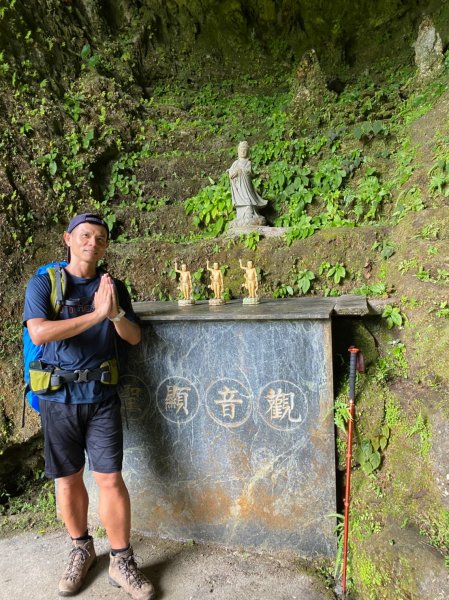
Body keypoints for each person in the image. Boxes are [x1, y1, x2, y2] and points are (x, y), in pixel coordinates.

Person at [23, 213, 155, 600]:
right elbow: (39, 331)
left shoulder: (113, 287)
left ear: (106, 245)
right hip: (57, 399)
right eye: (85, 235)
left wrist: (112, 313)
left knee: (110, 479)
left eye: (100, 238)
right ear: (68, 239)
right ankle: (82, 548)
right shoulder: (44, 283)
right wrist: (95, 315)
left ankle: (121, 559)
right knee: (67, 479)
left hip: (100, 398)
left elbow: (132, 337)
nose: (92, 243)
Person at [228, 141, 267, 225]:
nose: (242, 152)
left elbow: (249, 172)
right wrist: (232, 173)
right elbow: (231, 172)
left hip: (246, 183)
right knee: (241, 199)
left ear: (248, 152)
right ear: (238, 152)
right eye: (241, 150)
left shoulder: (248, 162)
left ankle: (250, 211)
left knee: (248, 198)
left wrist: (240, 171)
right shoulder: (235, 163)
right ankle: (241, 215)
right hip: (238, 185)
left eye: (244, 150)